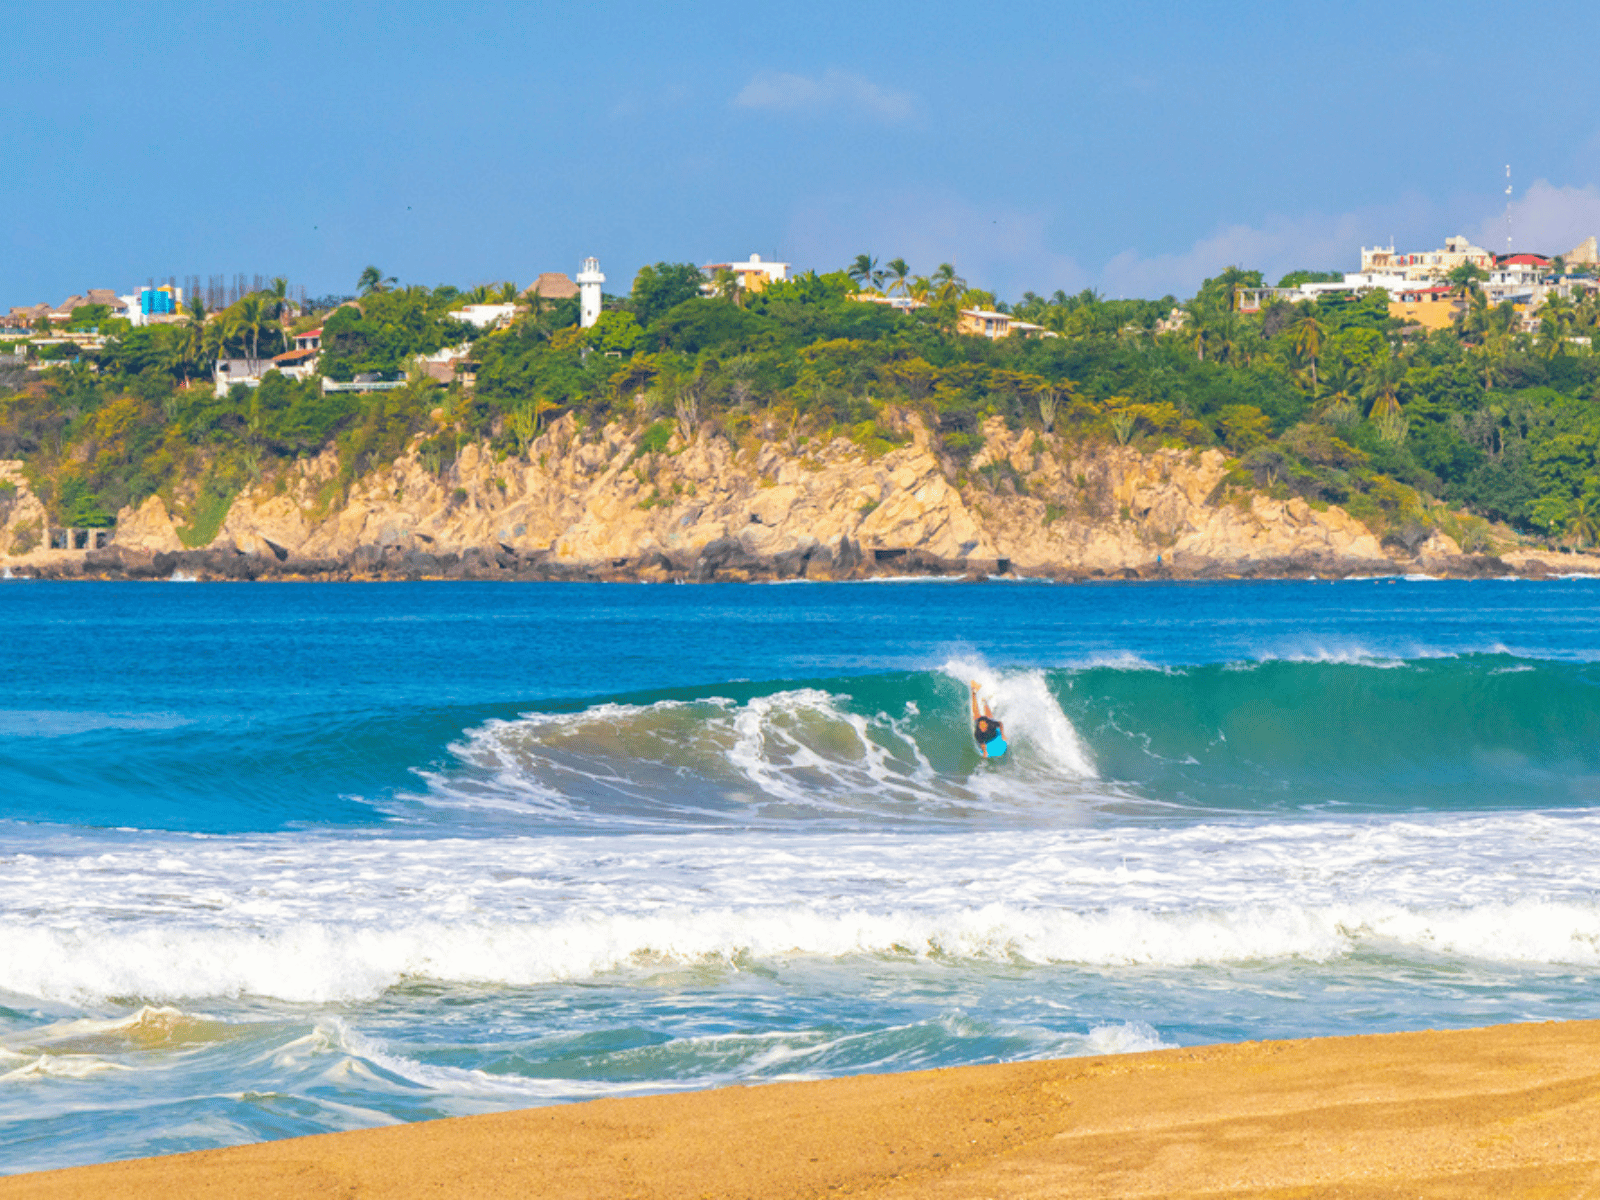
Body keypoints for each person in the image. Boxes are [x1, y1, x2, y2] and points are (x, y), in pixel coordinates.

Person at [970, 681, 1007, 758]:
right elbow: (982, 743)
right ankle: (973, 692)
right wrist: (985, 752)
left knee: (989, 715)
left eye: (983, 726)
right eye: (981, 726)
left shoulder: (991, 724)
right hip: (979, 720)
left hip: (988, 721)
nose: (982, 728)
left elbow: (1000, 724)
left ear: (987, 724)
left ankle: (984, 702)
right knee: (975, 711)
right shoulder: (978, 732)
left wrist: (1003, 735)